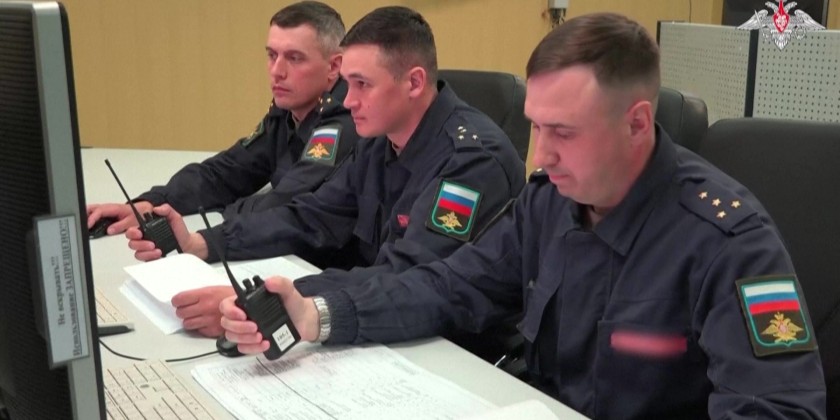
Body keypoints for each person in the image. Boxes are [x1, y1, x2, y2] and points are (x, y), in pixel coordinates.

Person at [219, 12, 827, 419]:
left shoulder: (728, 239)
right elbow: (449, 286)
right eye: (535, 127)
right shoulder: (549, 201)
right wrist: (316, 313)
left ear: (637, 123)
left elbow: (778, 409)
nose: (540, 156)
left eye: (564, 131)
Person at [129, 6, 525, 340]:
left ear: (415, 82)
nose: (348, 101)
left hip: (448, 346)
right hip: (376, 319)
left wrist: (277, 301)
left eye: (362, 84)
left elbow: (408, 276)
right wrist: (202, 243)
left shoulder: (472, 161)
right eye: (348, 84)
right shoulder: (379, 139)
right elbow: (311, 216)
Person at [87, 1, 359, 235]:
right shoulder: (290, 111)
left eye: (295, 58)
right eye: (272, 55)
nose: (277, 71)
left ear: (334, 66)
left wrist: (203, 223)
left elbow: (284, 204)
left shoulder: (345, 121)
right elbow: (225, 173)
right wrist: (152, 204)